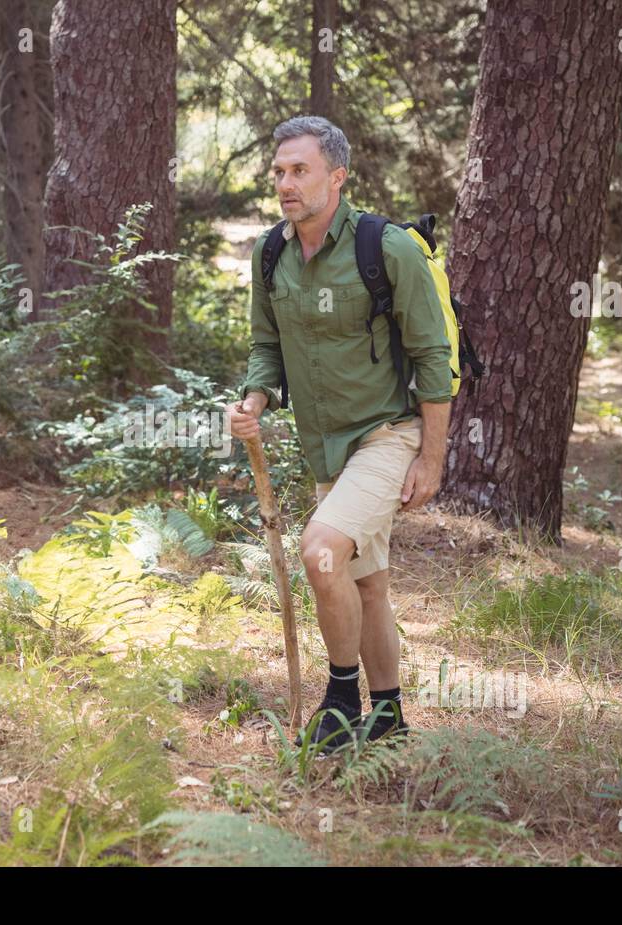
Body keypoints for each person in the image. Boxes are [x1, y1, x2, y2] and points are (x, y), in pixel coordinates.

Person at [225, 115, 453, 752]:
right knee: (366, 582)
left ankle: (340, 699)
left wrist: (431, 460)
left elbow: (434, 358)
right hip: (326, 445)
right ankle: (388, 717)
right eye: (279, 172)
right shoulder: (270, 254)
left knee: (321, 550)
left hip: (387, 434)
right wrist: (255, 399)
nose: (286, 184)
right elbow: (265, 345)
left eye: (301, 171)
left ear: (337, 176)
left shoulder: (387, 248)